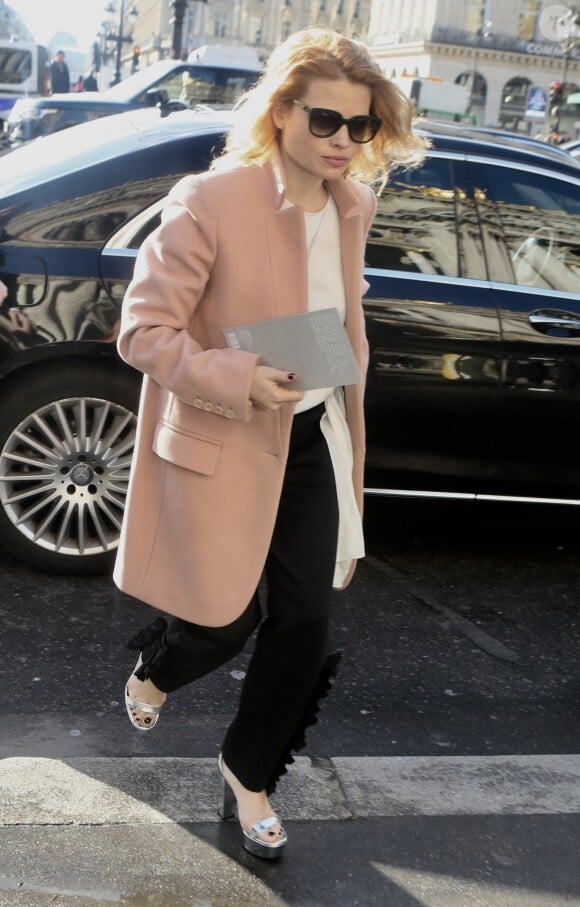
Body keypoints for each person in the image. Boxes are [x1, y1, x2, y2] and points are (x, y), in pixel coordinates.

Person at [114, 27, 425, 860]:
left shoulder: (354, 205)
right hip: (226, 432)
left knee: (305, 623)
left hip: (313, 434)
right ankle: (155, 670)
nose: (343, 143)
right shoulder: (211, 200)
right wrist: (235, 374)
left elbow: (336, 317)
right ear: (282, 111)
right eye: (326, 121)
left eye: (360, 128)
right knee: (222, 618)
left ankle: (247, 770)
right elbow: (143, 332)